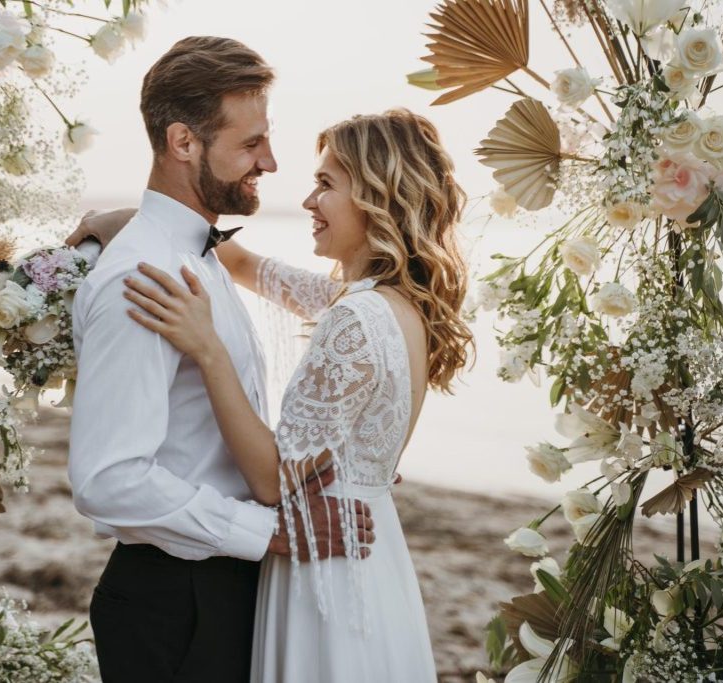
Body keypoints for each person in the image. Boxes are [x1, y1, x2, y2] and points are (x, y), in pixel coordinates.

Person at [82, 109, 473, 681]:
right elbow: (242, 263)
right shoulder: (388, 303)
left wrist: (208, 349)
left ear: (378, 199)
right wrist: (135, 221)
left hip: (323, 558)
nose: (309, 201)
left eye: (326, 185)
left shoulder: (355, 319)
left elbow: (271, 478)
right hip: (371, 550)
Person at [65, 36, 374, 683]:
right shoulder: (143, 281)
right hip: (177, 604)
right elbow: (108, 478)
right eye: (250, 143)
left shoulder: (193, 255)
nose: (270, 160)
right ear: (184, 143)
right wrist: (263, 532)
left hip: (217, 586)